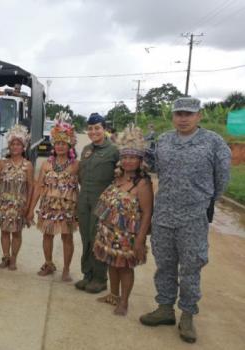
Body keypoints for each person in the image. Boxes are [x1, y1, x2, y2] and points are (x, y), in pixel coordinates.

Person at [140, 97, 231, 344]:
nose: (183, 118)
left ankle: (188, 315)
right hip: (164, 214)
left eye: (188, 114)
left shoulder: (214, 142)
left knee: (191, 267)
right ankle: (165, 309)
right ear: (173, 116)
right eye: (179, 113)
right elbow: (153, 167)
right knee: (165, 264)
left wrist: (206, 202)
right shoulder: (165, 140)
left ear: (199, 116)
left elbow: (222, 178)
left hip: (193, 217)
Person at [93, 125, 153, 316]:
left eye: (133, 157)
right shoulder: (118, 177)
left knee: (125, 268)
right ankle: (113, 295)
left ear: (140, 160)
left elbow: (147, 213)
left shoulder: (142, 184)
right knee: (112, 263)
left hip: (128, 236)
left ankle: (124, 302)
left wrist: (141, 240)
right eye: (125, 157)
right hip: (109, 233)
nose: (128, 161)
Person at [28, 120, 78, 280]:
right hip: (48, 207)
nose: (60, 146)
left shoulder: (76, 165)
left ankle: (66, 269)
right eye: (57, 143)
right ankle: (48, 264)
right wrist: (30, 209)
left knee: (67, 237)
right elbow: (38, 187)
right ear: (53, 145)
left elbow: (83, 188)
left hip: (68, 208)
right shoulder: (45, 164)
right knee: (47, 235)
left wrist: (82, 211)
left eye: (64, 143)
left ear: (70, 145)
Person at [76, 113, 119, 293]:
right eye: (91, 128)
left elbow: (120, 177)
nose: (93, 131)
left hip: (102, 203)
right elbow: (80, 174)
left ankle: (100, 278)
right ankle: (88, 274)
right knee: (86, 238)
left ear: (105, 129)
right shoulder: (86, 149)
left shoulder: (114, 151)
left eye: (97, 128)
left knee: (99, 239)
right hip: (84, 200)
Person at [0, 124, 33, 271]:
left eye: (18, 144)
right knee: (4, 231)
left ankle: (14, 258)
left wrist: (28, 206)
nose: (15, 147)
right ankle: (5, 256)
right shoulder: (2, 163)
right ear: (9, 146)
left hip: (19, 205)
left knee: (16, 232)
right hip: (3, 203)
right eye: (13, 144)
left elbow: (30, 187)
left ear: (23, 147)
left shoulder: (28, 165)